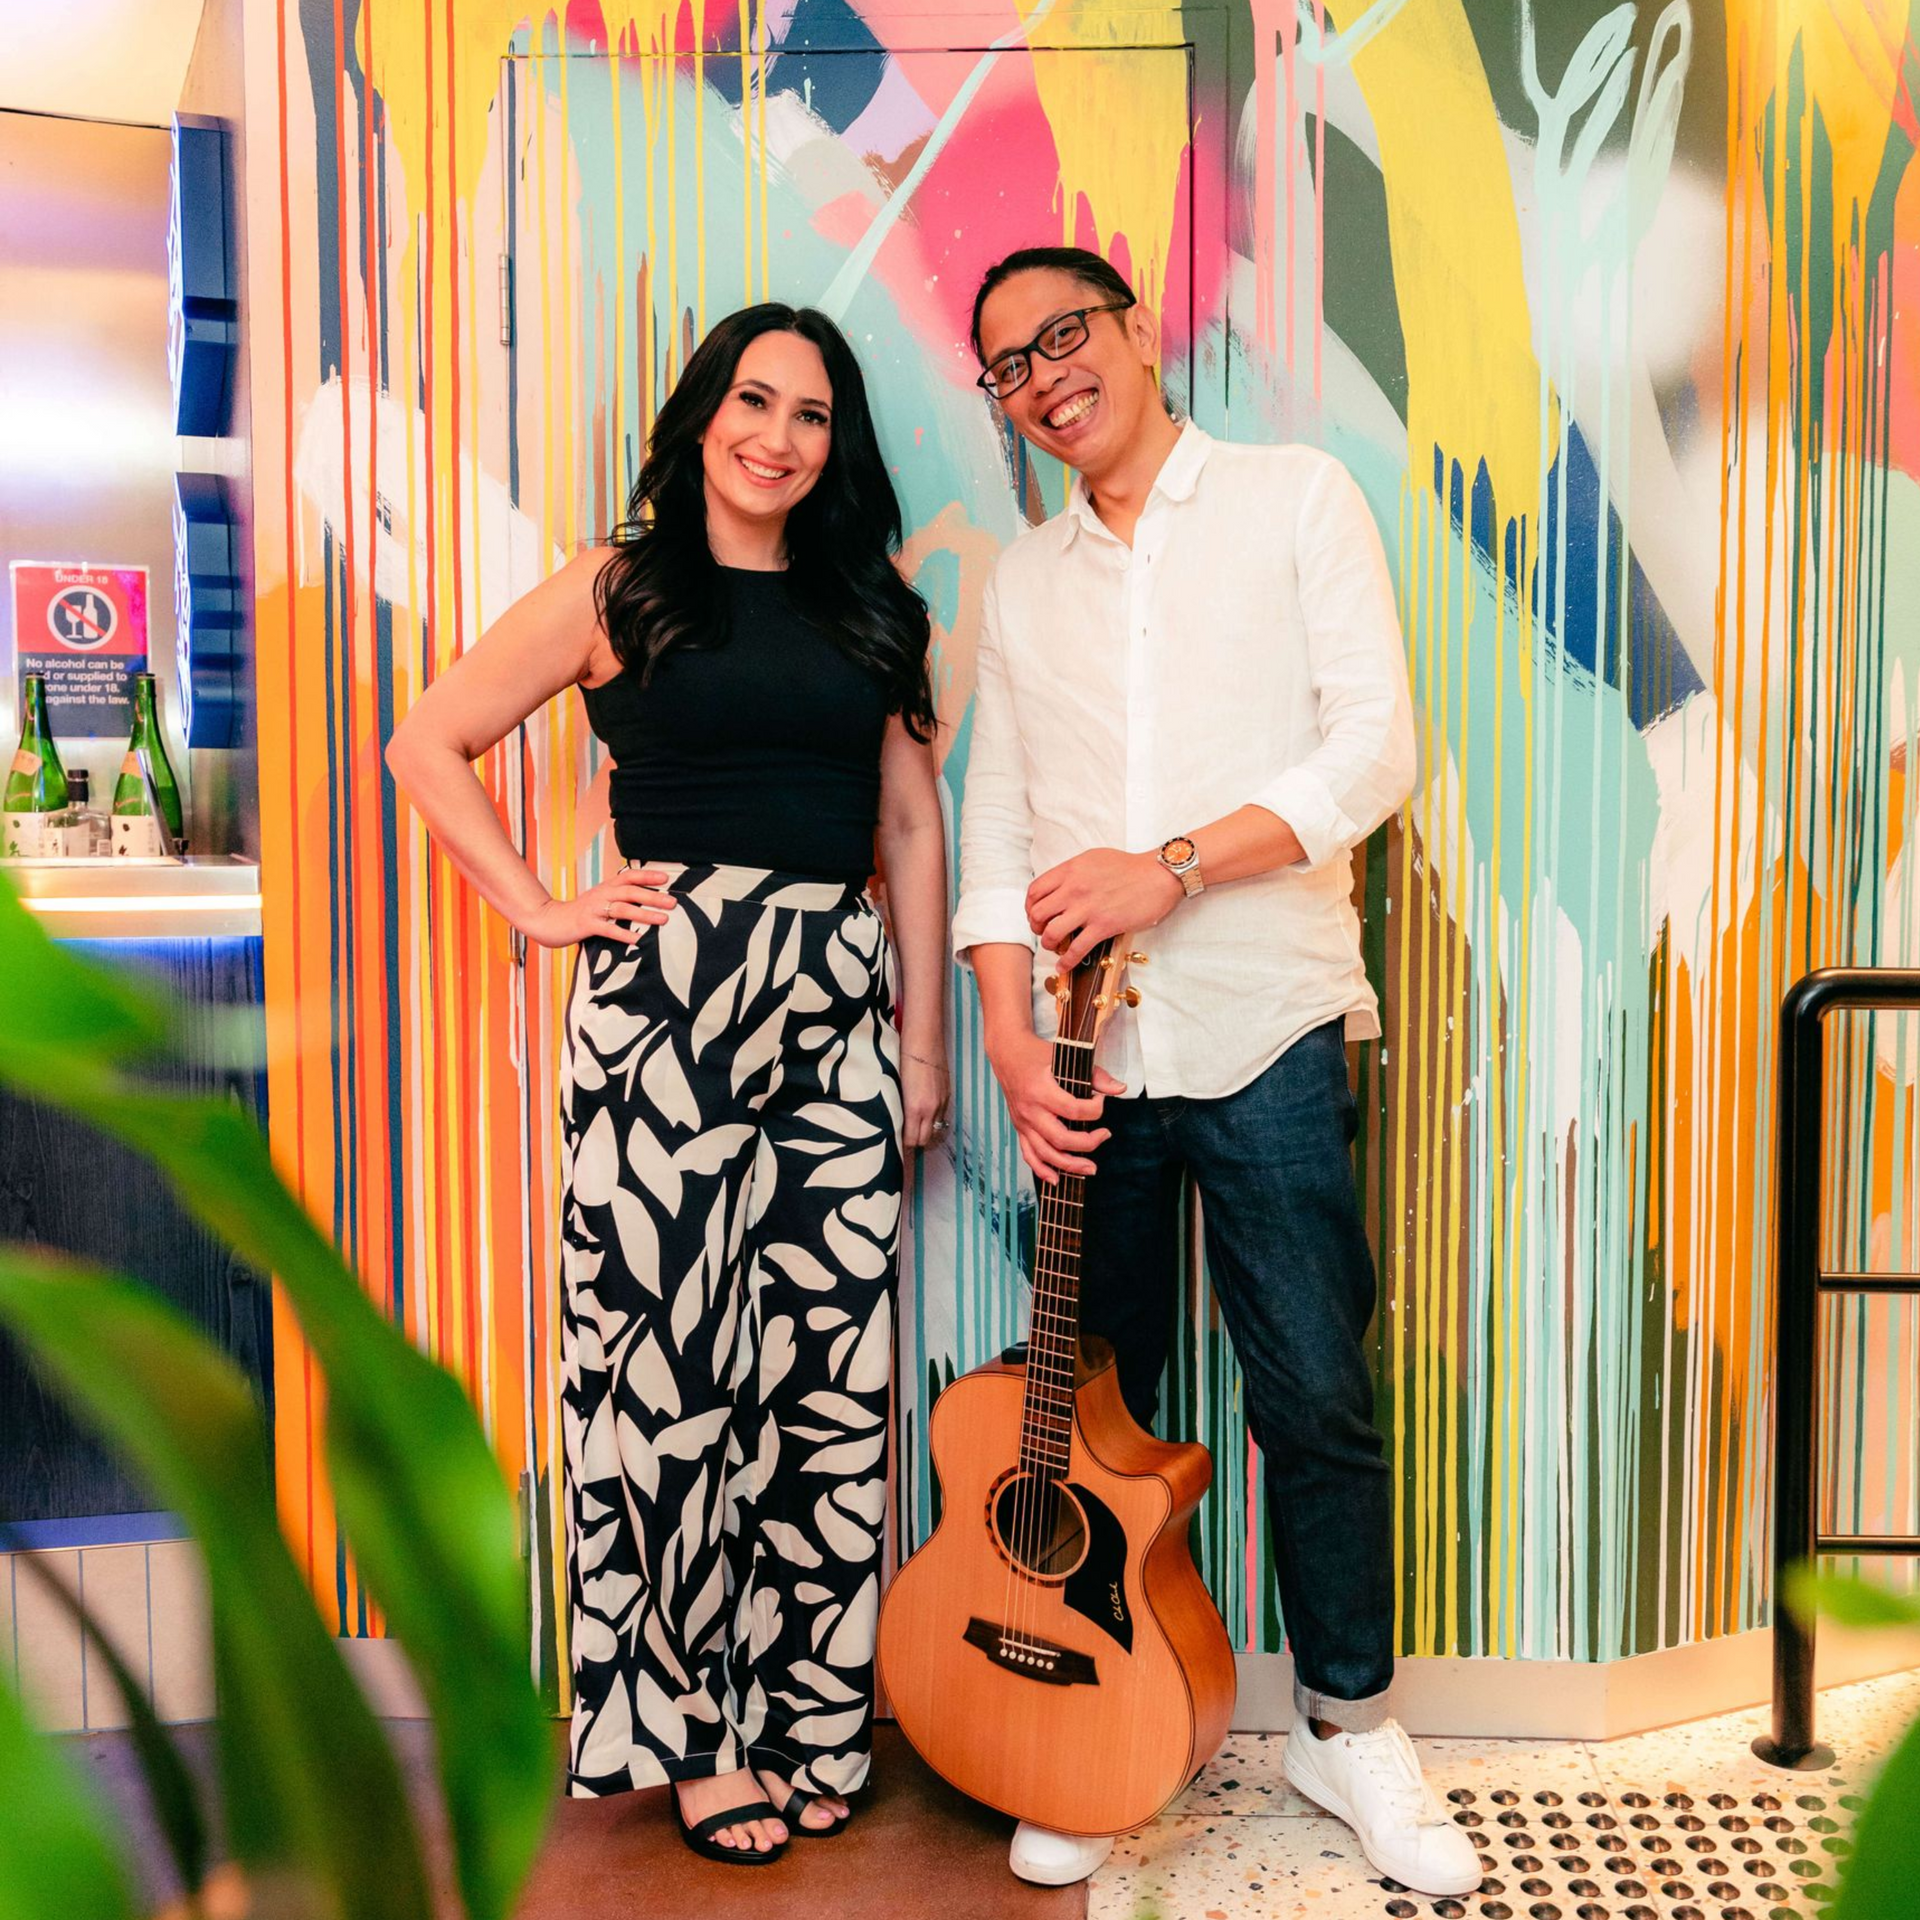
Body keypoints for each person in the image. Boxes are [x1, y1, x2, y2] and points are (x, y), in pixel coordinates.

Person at [387, 302, 950, 1866]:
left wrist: (917, 1039)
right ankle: (696, 1737)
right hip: (665, 1005)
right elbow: (427, 740)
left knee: (826, 1380)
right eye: (752, 401)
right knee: (671, 1376)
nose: (779, 434)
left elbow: (908, 828)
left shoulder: (868, 601)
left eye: (812, 414)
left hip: (837, 1002)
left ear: (838, 446)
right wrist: (541, 903)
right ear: (701, 417)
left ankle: (811, 1720)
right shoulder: (616, 584)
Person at [952, 247, 1480, 1899]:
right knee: (1098, 1418)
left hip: (1266, 1022)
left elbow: (1371, 752)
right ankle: (1100, 1727)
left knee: (1315, 1393)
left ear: (1136, 335)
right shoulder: (1022, 580)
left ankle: (1347, 1724)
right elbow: (991, 829)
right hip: (1089, 1055)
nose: (1043, 377)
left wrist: (1166, 865)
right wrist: (1006, 1036)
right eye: (1008, 367)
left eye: (1065, 336)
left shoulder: (1294, 497)